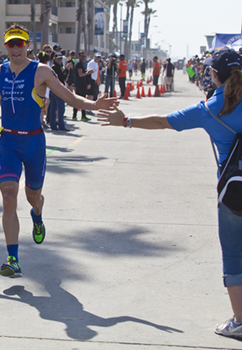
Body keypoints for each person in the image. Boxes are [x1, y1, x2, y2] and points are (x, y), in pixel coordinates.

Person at [97, 47, 242, 340]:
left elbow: (163, 121)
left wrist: (125, 121)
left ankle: (240, 320)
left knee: (235, 255)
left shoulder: (211, 109)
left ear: (214, 75)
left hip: (234, 193)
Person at [0, 24, 117, 278]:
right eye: (11, 44)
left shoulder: (41, 71)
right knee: (9, 195)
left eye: (19, 44)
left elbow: (70, 98)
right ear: (5, 46)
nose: (15, 49)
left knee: (33, 197)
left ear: (27, 46)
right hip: (8, 142)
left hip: (34, 143)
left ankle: (38, 214)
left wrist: (94, 103)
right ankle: (13, 259)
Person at [50, 52, 71, 131]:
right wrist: (66, 70)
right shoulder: (56, 67)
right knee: (60, 108)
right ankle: (61, 126)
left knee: (53, 108)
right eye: (58, 58)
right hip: (58, 89)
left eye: (60, 58)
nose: (59, 60)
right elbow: (63, 78)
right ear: (54, 59)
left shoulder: (54, 66)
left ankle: (53, 125)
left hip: (53, 88)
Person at [72, 51, 94, 121]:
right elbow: (80, 74)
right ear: (78, 56)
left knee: (78, 100)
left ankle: (76, 115)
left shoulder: (82, 63)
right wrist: (88, 73)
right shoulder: (78, 64)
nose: (83, 57)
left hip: (80, 84)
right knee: (82, 100)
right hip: (80, 84)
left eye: (84, 56)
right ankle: (82, 116)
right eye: (82, 56)